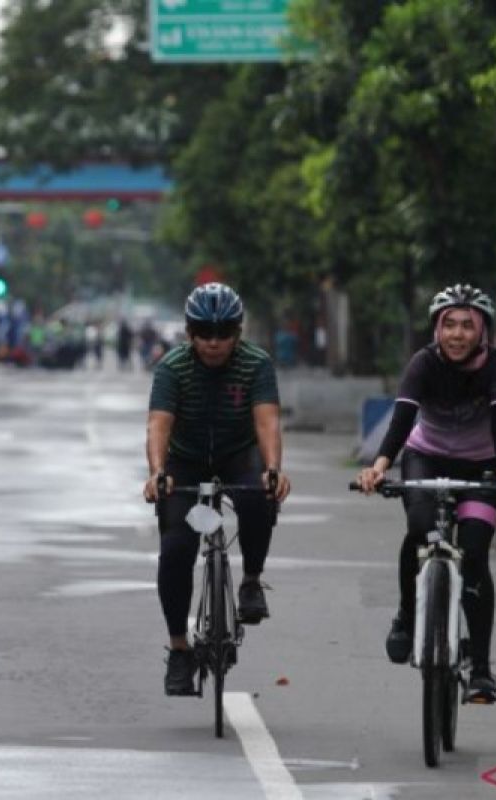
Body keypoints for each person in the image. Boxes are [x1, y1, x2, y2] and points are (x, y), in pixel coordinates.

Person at [356, 284, 496, 704]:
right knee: (419, 529)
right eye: (448, 325)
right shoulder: (423, 363)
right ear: (437, 328)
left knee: (473, 553)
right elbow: (402, 418)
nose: (456, 334)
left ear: (482, 331)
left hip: (482, 465)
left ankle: (482, 672)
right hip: (426, 457)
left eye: (467, 326)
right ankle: (405, 615)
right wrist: (379, 466)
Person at [143, 283, 292, 696]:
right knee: (175, 550)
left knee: (259, 494)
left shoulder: (256, 364)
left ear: (237, 333)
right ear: (190, 333)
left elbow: (266, 423)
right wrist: (158, 472)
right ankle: (178, 650)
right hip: (186, 458)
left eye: (223, 333)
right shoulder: (172, 367)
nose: (213, 343)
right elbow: (159, 425)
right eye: (204, 333)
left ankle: (251, 581)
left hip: (237, 454)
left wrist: (274, 469)